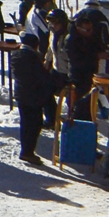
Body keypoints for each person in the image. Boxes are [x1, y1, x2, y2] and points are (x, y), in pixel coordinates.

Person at [11, 31, 67, 164]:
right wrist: (60, 82)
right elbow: (42, 77)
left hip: (21, 94)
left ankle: (26, 151)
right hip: (33, 96)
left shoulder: (16, 54)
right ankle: (28, 152)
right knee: (34, 124)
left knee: (25, 124)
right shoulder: (31, 57)